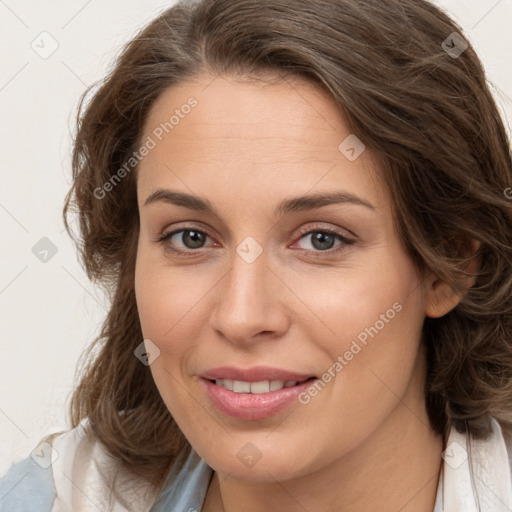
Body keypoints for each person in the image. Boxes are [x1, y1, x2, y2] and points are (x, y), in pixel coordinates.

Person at [2, 0, 512, 510]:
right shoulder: (48, 497)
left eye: (321, 240)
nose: (242, 317)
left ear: (450, 267)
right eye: (191, 238)